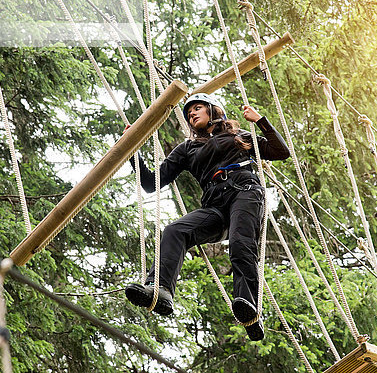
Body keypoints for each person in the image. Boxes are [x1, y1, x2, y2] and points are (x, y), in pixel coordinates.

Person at [124, 93, 290, 341]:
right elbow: (151, 183)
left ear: (213, 110)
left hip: (244, 191)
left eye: (197, 108)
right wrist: (132, 150)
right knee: (175, 231)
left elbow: (280, 151)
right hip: (215, 205)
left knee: (240, 244)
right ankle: (160, 290)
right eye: (189, 112)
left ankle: (249, 308)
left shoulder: (238, 137)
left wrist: (260, 121)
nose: (191, 114)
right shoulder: (187, 149)